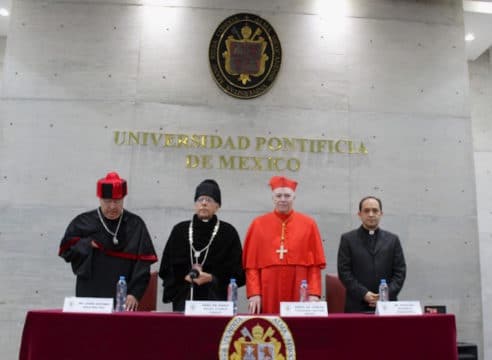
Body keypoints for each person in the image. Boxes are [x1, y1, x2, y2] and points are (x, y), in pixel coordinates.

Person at [58, 172, 158, 311]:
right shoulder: (82, 222)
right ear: (100, 199)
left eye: (117, 201)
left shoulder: (135, 224)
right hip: (90, 293)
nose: (112, 206)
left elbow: (143, 265)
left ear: (123, 199)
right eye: (107, 201)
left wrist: (135, 293)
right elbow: (66, 252)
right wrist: (86, 244)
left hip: (123, 295)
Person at [242, 175, 326, 314]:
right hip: (268, 286)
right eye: (278, 195)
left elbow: (314, 266)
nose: (282, 199)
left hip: (300, 284)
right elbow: (252, 266)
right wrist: (254, 293)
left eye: (287, 196)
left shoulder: (308, 224)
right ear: (272, 198)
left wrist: (314, 294)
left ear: (294, 197)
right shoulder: (258, 224)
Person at [159, 179, 245, 311]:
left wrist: (212, 278)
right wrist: (185, 277)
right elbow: (166, 267)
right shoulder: (180, 230)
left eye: (209, 200)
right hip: (184, 298)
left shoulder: (228, 232)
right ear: (195, 204)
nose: (204, 203)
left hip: (216, 303)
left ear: (217, 206)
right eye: (200, 199)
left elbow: (237, 271)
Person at [337, 196, 406, 312]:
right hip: (356, 305)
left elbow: (400, 272)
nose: (371, 214)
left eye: (375, 210)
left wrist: (384, 294)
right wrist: (364, 293)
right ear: (359, 214)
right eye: (366, 210)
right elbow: (344, 272)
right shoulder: (348, 239)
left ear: (381, 213)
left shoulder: (393, 240)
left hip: (387, 305)